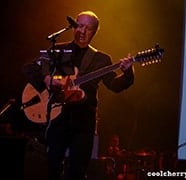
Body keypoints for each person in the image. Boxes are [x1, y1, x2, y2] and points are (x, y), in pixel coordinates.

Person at [23, 11, 134, 180]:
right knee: (52, 169)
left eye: (87, 28)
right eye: (79, 25)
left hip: (83, 124)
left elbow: (115, 86)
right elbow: (29, 68)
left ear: (94, 32)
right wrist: (46, 79)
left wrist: (128, 73)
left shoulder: (101, 59)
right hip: (57, 119)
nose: (82, 31)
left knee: (78, 172)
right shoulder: (58, 50)